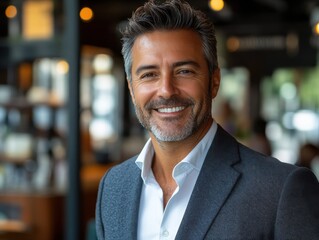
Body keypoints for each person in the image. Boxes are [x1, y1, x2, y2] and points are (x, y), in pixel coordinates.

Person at [95, 0, 319, 239]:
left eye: (184, 71)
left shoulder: (279, 190)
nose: (166, 90)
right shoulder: (113, 187)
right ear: (131, 88)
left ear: (214, 81)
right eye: (149, 74)